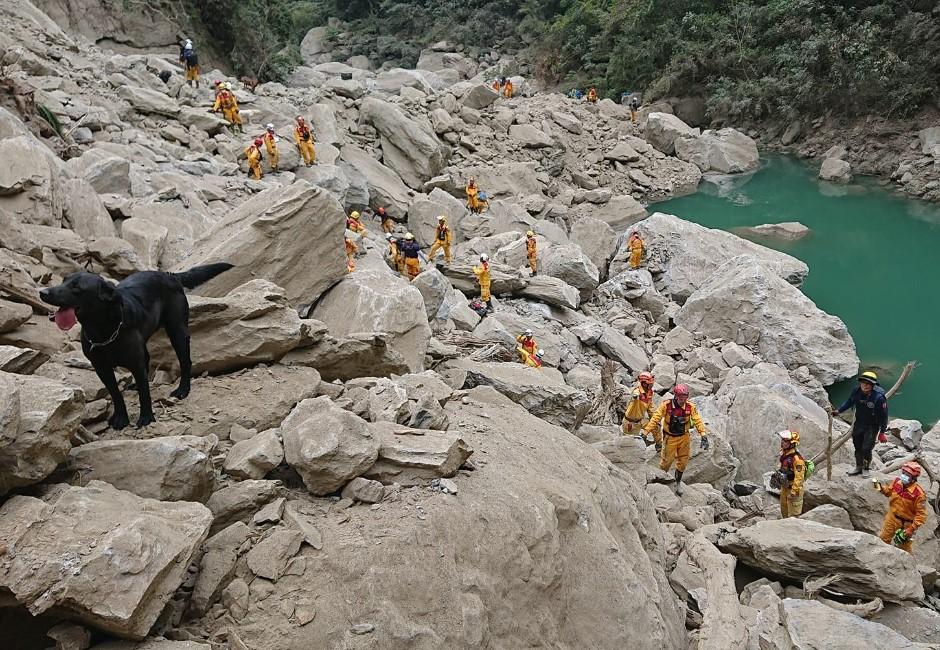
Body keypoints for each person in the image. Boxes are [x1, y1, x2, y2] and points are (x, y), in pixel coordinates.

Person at [643, 384, 709, 495]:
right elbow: (655, 419)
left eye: (685, 397)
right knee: (666, 462)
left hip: (684, 437)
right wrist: (645, 433)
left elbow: (697, 420)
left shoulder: (690, 407)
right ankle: (660, 481)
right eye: (681, 397)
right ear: (676, 396)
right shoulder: (666, 406)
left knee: (683, 461)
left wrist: (703, 435)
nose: (683, 400)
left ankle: (678, 482)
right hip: (670, 438)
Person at [831, 370, 888, 478]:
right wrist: (839, 411)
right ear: (860, 383)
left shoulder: (879, 398)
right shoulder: (856, 391)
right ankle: (858, 466)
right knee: (857, 446)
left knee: (866, 448)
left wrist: (882, 432)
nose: (865, 386)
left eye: (868, 384)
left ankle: (866, 468)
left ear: (872, 385)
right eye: (863, 383)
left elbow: (884, 416)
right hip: (859, 423)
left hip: (872, 426)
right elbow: (849, 402)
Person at [874, 461, 928, 553]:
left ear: (914, 478)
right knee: (883, 540)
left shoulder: (918, 494)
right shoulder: (896, 482)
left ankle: (907, 566)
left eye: (907, 475)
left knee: (904, 548)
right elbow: (888, 492)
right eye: (903, 473)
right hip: (892, 518)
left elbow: (921, 515)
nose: (904, 476)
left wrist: (911, 529)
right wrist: (878, 487)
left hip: (907, 524)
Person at [774, 430, 806, 518]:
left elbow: (799, 477)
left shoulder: (797, 459)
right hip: (785, 488)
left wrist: (794, 492)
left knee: (793, 515)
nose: (782, 442)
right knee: (784, 512)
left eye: (785, 441)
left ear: (792, 443)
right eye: (782, 440)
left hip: (793, 490)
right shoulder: (784, 455)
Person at [622, 371, 655, 436]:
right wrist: (635, 396)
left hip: (640, 421)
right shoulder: (637, 392)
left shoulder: (649, 393)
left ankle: (659, 444)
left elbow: (650, 408)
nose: (652, 385)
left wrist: (654, 418)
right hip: (630, 423)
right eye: (650, 384)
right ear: (644, 384)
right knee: (631, 442)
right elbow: (634, 396)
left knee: (655, 426)